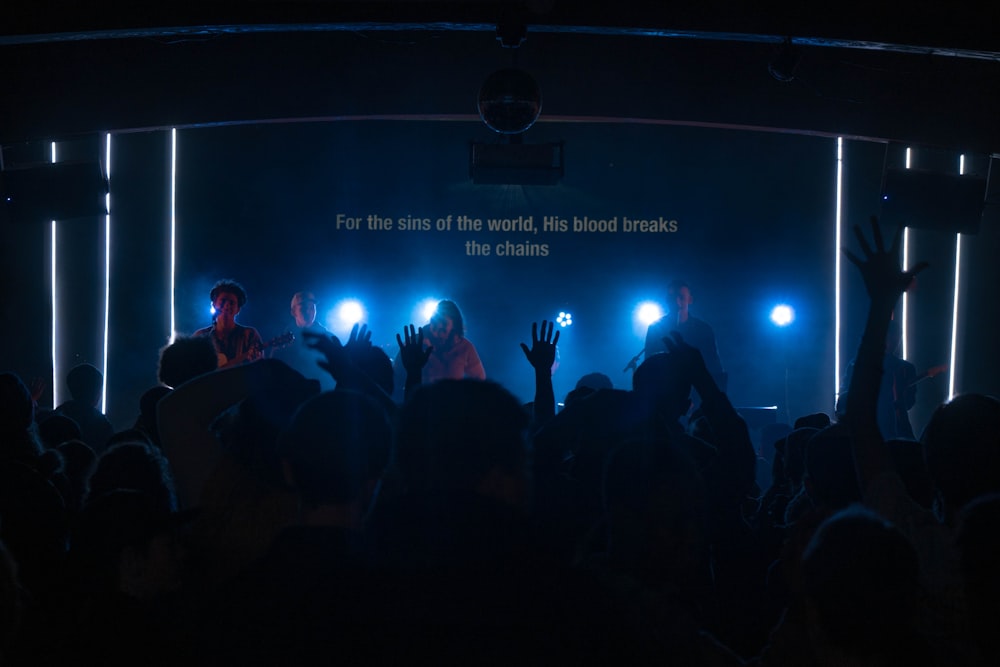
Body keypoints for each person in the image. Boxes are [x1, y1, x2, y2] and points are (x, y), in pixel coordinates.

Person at [837, 320, 918, 439]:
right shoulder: (857, 365)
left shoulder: (858, 364)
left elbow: (845, 398)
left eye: (897, 337)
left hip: (883, 428)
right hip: (877, 428)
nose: (895, 341)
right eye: (891, 337)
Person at [393, 299, 485, 398]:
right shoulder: (415, 342)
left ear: (455, 325)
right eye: (434, 322)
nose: (436, 329)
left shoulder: (465, 348)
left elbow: (481, 385)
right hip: (420, 408)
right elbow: (394, 378)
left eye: (443, 323)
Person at [644, 280, 726, 391]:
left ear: (690, 300)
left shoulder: (703, 329)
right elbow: (649, 364)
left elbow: (713, 364)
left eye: (681, 297)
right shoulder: (655, 328)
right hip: (663, 392)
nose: (677, 302)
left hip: (696, 392)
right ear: (667, 300)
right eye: (672, 298)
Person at [194, 280, 264, 369]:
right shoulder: (201, 336)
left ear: (238, 309)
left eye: (232, 303)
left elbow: (259, 369)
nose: (227, 305)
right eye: (223, 301)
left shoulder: (249, 335)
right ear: (214, 304)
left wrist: (255, 361)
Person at [272, 291, 333, 390]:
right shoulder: (283, 340)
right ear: (293, 312)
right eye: (303, 308)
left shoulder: (327, 337)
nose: (308, 312)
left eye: (312, 308)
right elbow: (274, 369)